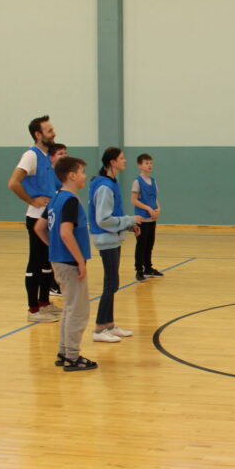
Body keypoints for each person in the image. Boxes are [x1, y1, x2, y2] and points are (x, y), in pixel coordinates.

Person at [33, 156, 98, 372]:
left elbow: (39, 227)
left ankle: (64, 352)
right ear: (71, 175)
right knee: (78, 310)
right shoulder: (70, 200)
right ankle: (72, 356)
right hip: (69, 263)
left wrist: (54, 248)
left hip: (58, 260)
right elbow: (65, 232)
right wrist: (79, 260)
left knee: (69, 309)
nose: (84, 176)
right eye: (81, 172)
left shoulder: (55, 198)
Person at [7, 115, 60, 323]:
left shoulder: (46, 156)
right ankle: (33, 309)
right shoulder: (31, 156)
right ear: (38, 135)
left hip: (48, 217)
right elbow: (13, 183)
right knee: (36, 263)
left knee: (47, 263)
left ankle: (44, 303)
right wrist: (31, 200)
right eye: (49, 131)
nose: (54, 133)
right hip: (36, 218)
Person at [89, 147, 142, 342]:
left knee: (113, 283)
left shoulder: (112, 182)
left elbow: (113, 215)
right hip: (106, 240)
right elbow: (103, 219)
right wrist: (130, 219)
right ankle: (98, 329)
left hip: (112, 238)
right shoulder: (104, 186)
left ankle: (109, 325)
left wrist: (128, 226)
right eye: (121, 158)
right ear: (112, 162)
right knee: (110, 283)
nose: (125, 160)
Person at [131, 153, 163, 282]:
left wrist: (158, 209)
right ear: (140, 165)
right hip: (142, 219)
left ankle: (148, 268)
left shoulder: (153, 181)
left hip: (151, 219)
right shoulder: (137, 182)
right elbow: (134, 200)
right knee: (141, 245)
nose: (149, 165)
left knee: (149, 244)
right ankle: (139, 270)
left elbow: (155, 198)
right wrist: (148, 209)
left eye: (150, 163)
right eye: (146, 163)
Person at [46, 142, 68, 298]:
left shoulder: (63, 175)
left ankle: (58, 282)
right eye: (61, 154)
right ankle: (53, 285)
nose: (64, 156)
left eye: (66, 153)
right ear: (51, 157)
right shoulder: (49, 175)